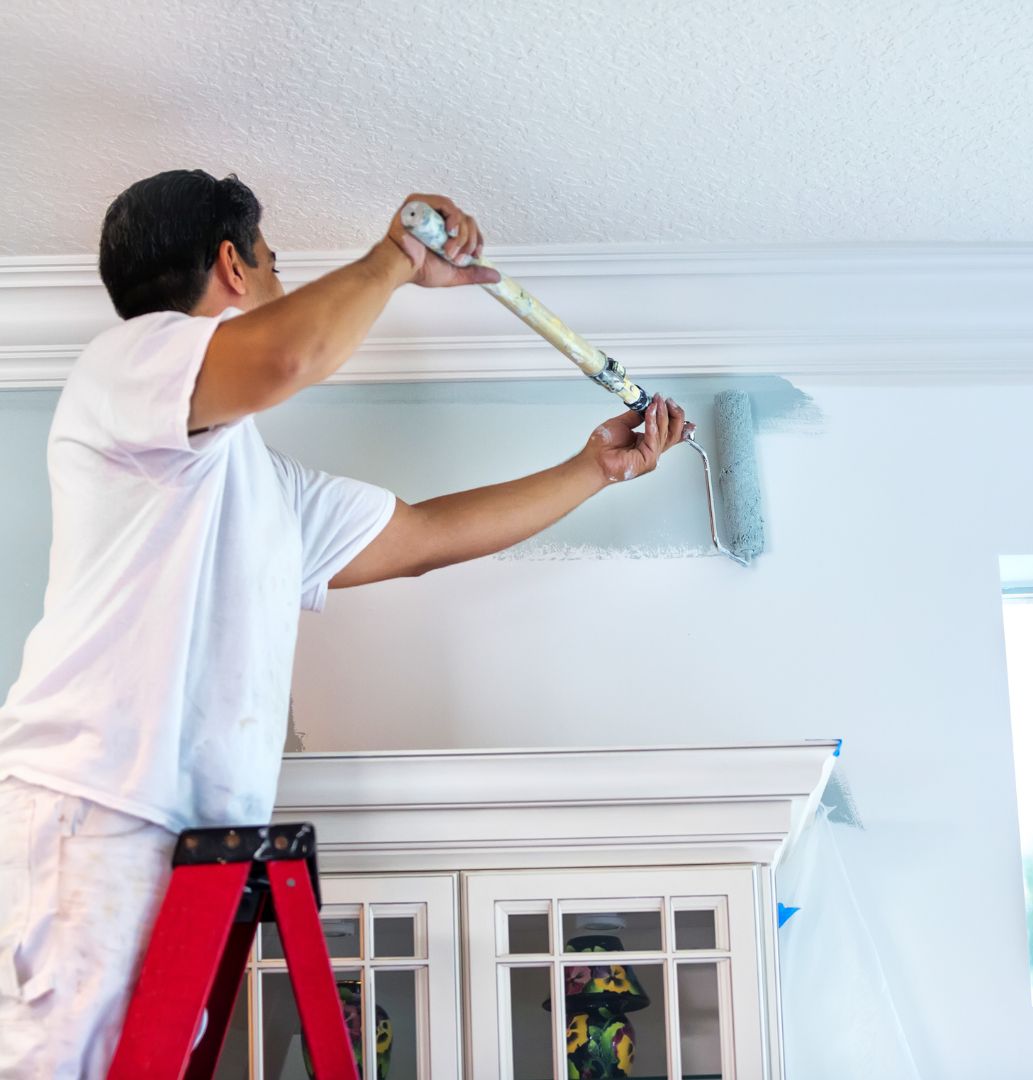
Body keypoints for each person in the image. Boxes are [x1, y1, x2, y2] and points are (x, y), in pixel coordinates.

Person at [0, 170, 690, 1077]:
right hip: (97, 813)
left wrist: (593, 470)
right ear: (232, 268)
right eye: (275, 265)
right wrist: (397, 257)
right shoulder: (128, 364)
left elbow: (424, 536)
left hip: (194, 854)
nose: (281, 286)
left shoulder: (258, 488)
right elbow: (288, 357)